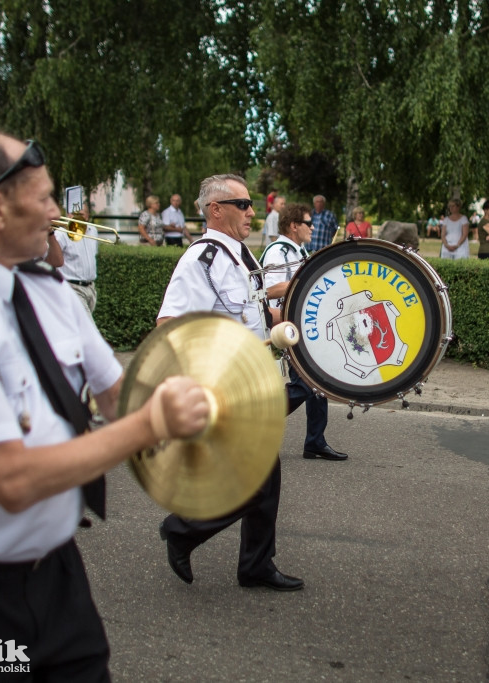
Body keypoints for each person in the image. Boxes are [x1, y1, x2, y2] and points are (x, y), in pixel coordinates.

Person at [0, 129, 210, 680]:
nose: (57, 211)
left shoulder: (47, 290)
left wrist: (198, 401)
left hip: (54, 574)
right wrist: (150, 425)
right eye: (45, 197)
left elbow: (117, 394)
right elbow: (11, 478)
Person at [156, 173, 305, 592]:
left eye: (251, 204)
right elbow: (170, 324)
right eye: (242, 204)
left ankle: (255, 564)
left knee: (266, 477)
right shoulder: (200, 259)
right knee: (257, 478)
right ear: (215, 210)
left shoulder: (242, 257)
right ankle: (184, 530)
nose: (252, 212)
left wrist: (289, 323)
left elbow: (254, 314)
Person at [262, 202, 349, 462]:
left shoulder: (298, 250)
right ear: (294, 226)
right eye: (308, 223)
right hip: (287, 326)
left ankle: (315, 442)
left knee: (317, 383)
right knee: (303, 386)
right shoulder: (278, 251)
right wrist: (308, 280)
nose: (313, 227)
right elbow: (270, 289)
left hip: (303, 325)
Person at [47, 206, 100, 317]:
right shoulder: (61, 234)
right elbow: (52, 258)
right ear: (67, 215)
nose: (75, 217)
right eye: (73, 214)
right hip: (72, 288)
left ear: (87, 216)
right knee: (88, 329)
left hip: (90, 288)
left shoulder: (93, 231)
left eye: (80, 214)